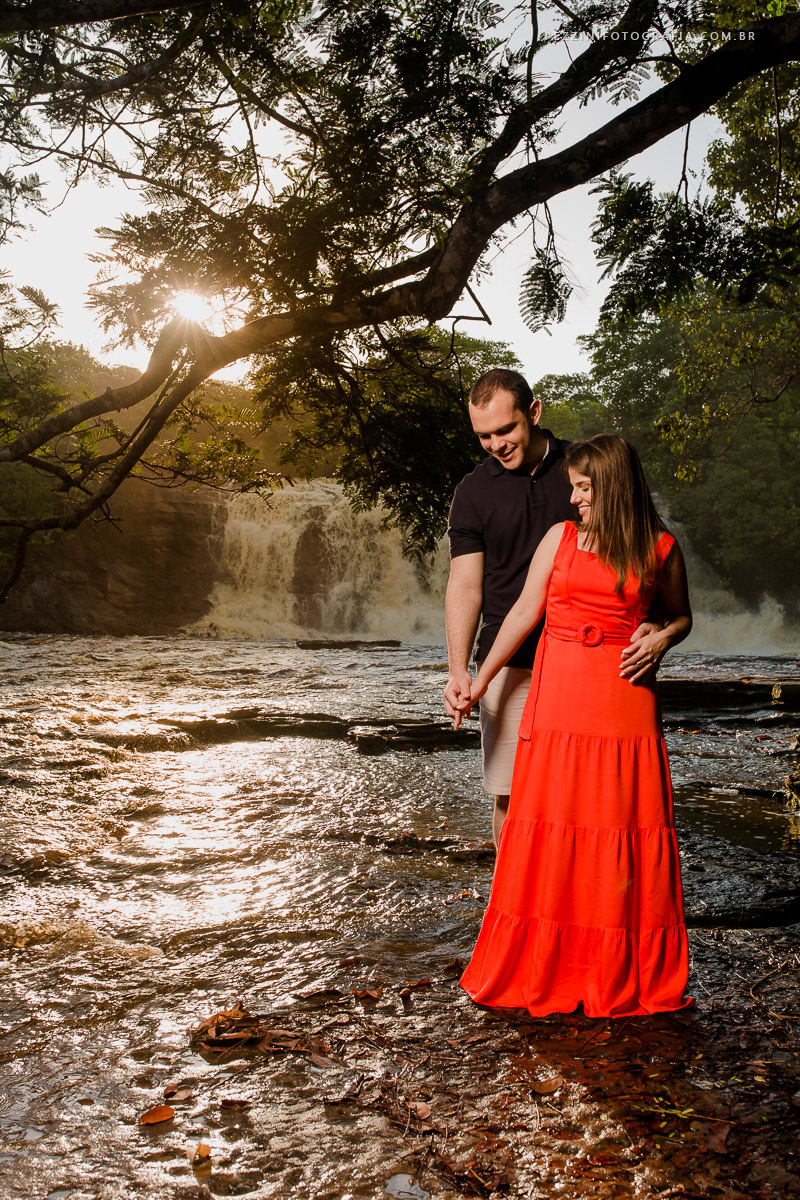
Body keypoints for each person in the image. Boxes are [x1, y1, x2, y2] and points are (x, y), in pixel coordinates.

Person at [456, 434, 693, 1018]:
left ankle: (613, 963)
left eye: (584, 488)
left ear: (611, 487)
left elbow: (682, 616)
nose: (575, 497)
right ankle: (545, 958)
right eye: (572, 487)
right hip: (557, 696)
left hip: (623, 697)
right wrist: (479, 679)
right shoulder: (559, 538)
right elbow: (521, 612)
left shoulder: (660, 548)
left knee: (616, 825)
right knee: (553, 820)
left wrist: (661, 636)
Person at [444, 369, 657, 848]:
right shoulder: (473, 493)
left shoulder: (586, 470)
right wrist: (460, 669)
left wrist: (657, 623)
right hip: (509, 662)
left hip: (591, 664)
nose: (496, 444)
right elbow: (464, 586)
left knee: (586, 799)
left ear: (534, 413)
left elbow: (639, 548)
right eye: (484, 436)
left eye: (505, 430)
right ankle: (510, 913)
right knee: (511, 796)